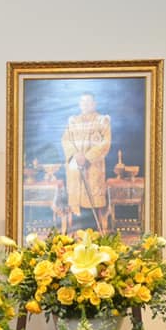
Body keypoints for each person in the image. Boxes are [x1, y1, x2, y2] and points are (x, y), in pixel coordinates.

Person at [61, 91, 111, 232]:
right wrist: (75, 154)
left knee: (92, 206)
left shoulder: (102, 121)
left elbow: (105, 143)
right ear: (79, 104)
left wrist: (87, 157)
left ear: (94, 104)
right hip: (75, 169)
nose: (85, 104)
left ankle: (95, 237)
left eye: (88, 101)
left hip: (93, 168)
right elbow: (65, 140)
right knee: (77, 209)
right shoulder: (73, 121)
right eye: (83, 101)